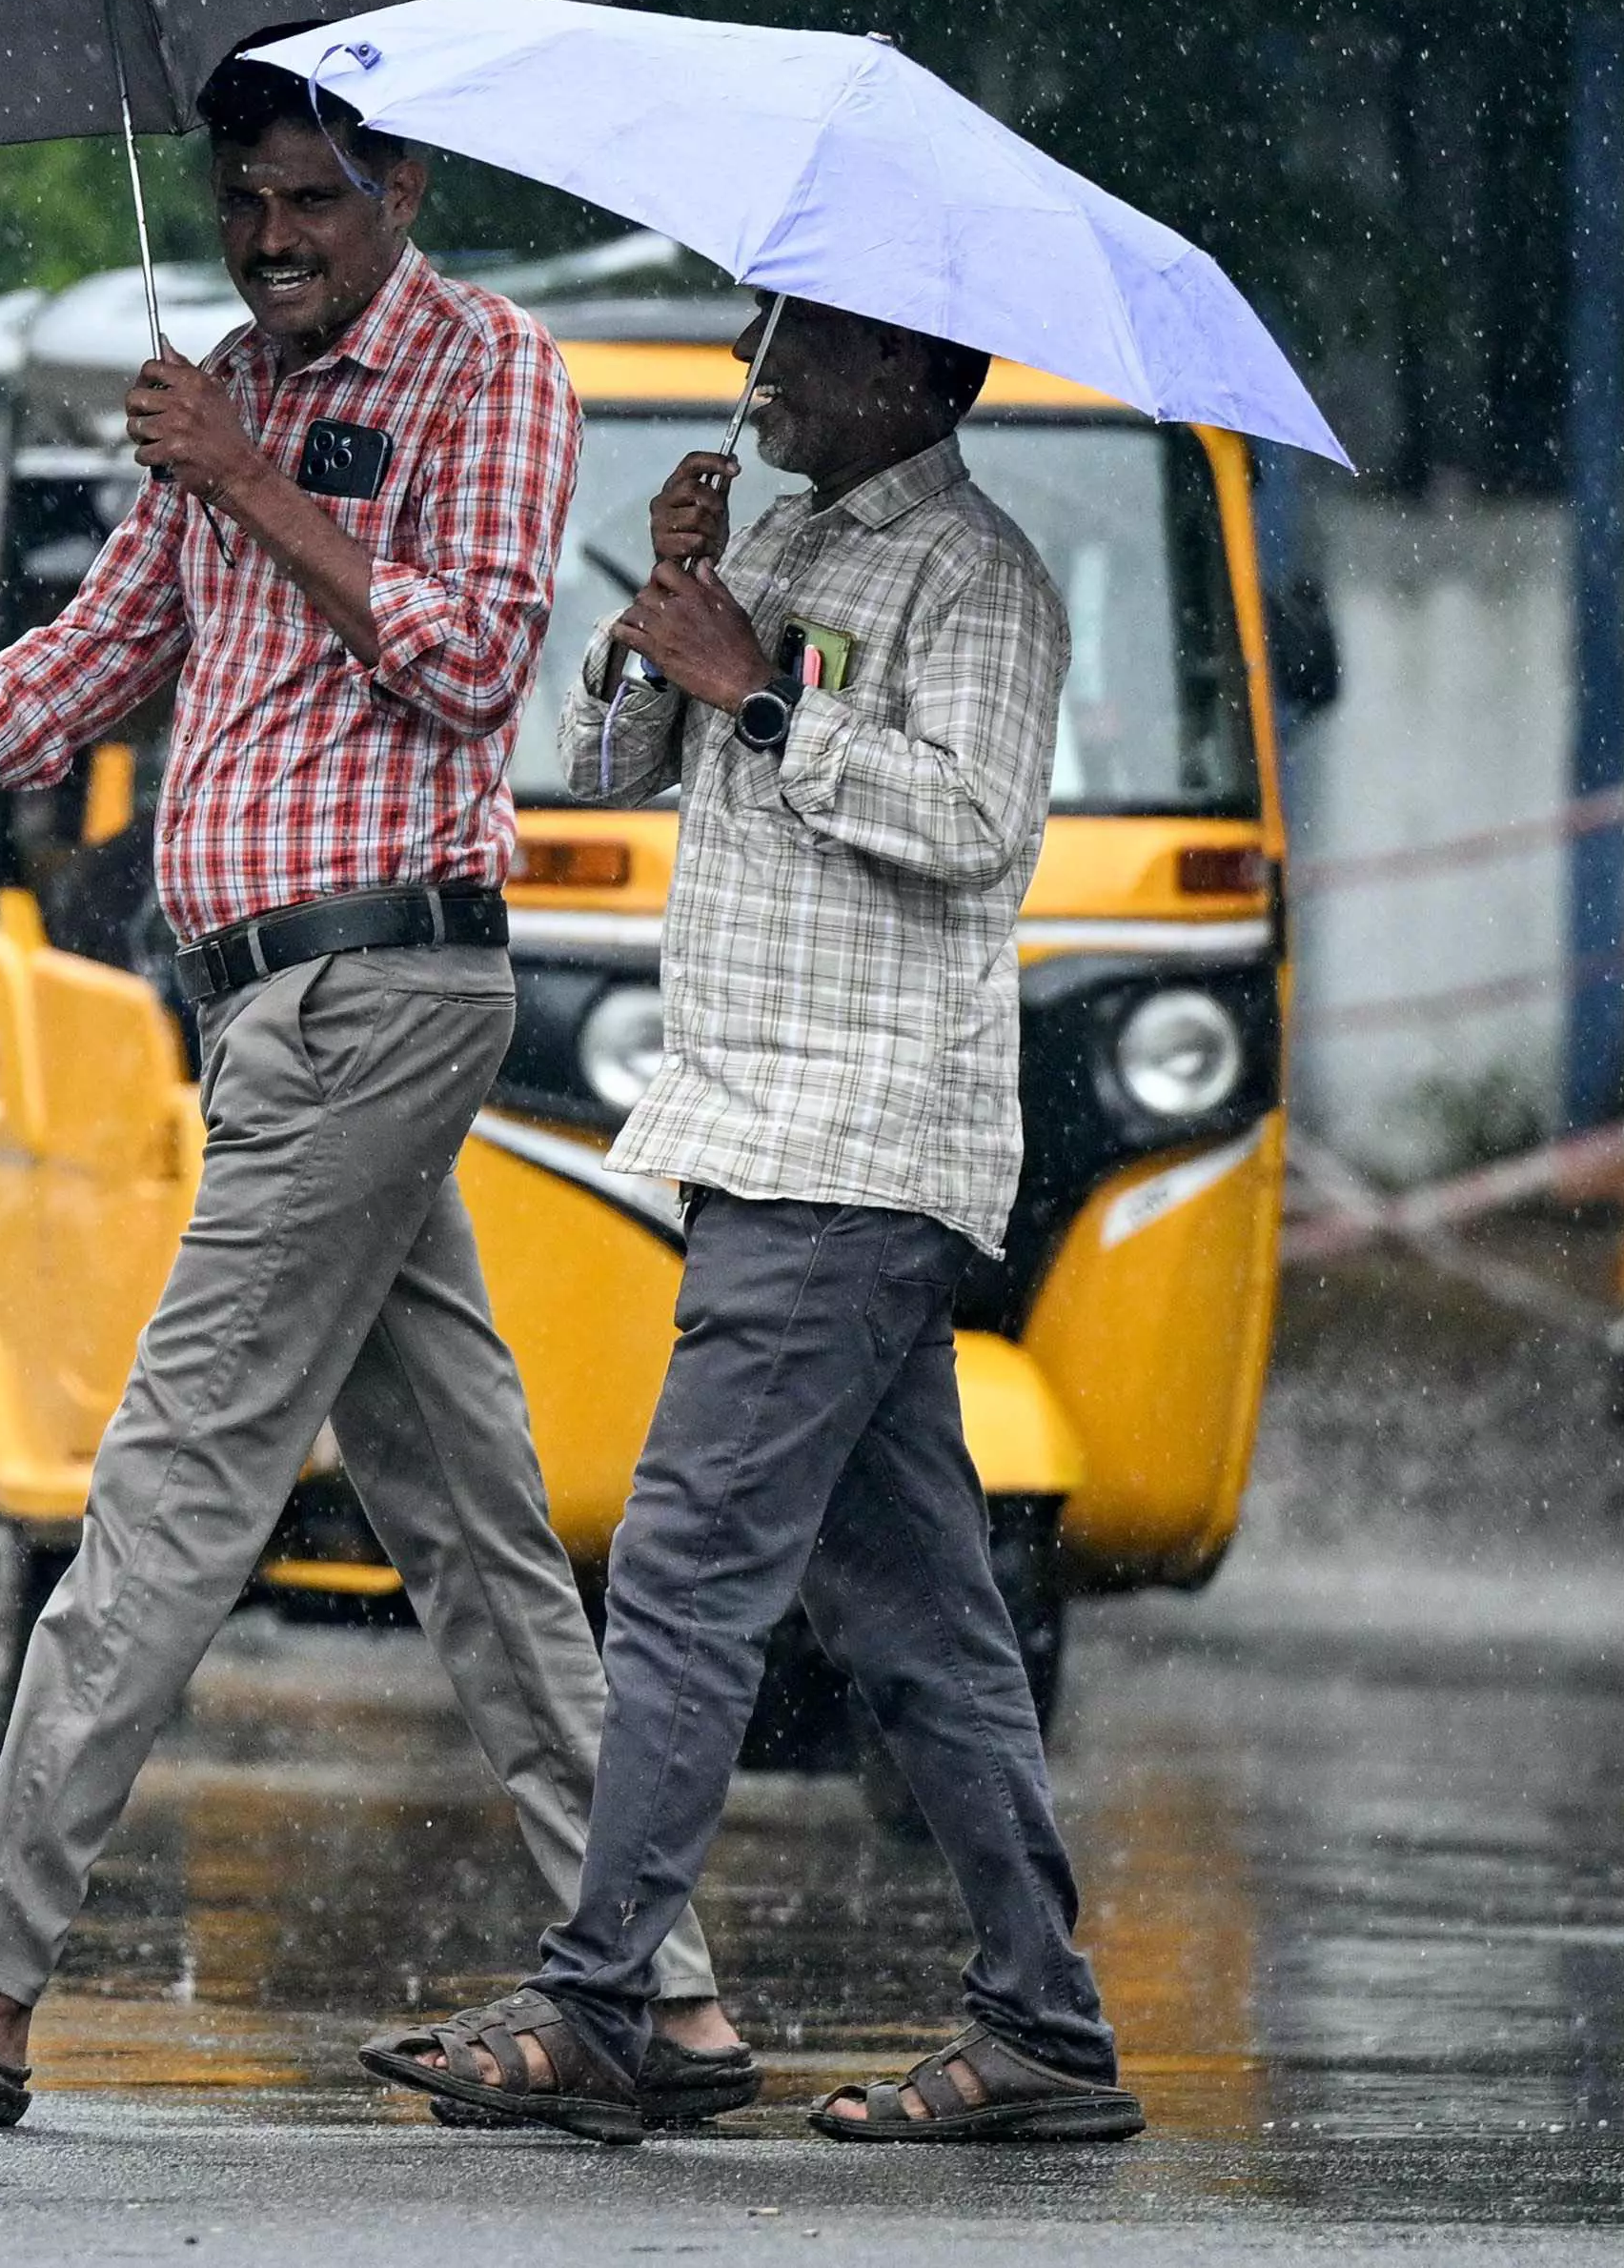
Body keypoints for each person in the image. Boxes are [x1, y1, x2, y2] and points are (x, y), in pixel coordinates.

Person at [0, 53, 737, 2129]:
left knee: (171, 1483)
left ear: (398, 186)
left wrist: (256, 479)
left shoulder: (498, 376)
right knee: (472, 1524)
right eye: (249, 204)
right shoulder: (220, 396)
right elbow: (69, 670)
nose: (274, 243)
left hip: (383, 987)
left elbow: (465, 666)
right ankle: (658, 1988)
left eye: (313, 206)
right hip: (265, 1013)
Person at [359, 291, 1143, 2146]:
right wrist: (671, 617)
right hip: (757, 1127)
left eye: (797, 346)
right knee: (922, 1616)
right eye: (759, 338)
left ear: (916, 376)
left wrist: (763, 686)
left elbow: (973, 825)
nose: (756, 374)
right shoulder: (779, 536)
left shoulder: (981, 578)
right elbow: (617, 764)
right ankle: (1041, 2019)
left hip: (850, 1146)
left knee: (690, 1573)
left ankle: (601, 1990)